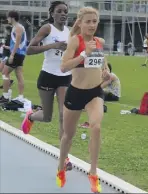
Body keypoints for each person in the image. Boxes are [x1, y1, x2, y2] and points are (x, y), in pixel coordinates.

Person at [56, 6, 110, 193]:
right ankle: (61, 166)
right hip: (75, 93)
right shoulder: (74, 41)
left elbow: (102, 63)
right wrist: (83, 54)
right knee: (68, 136)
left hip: (94, 92)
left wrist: (106, 70)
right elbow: (63, 67)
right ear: (80, 23)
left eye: (94, 22)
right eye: (88, 21)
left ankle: (93, 173)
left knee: (96, 127)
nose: (92, 25)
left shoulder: (99, 42)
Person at [21, 1, 72, 170]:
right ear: (52, 13)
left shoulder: (69, 31)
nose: (63, 14)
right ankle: (31, 116)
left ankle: (64, 158)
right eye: (60, 11)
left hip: (65, 77)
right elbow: (29, 49)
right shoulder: (47, 29)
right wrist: (54, 45)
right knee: (47, 116)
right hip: (48, 76)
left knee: (64, 116)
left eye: (65, 11)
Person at [0, 10, 27, 104]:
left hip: (17, 54)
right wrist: (8, 47)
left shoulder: (18, 27)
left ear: (12, 18)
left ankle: (6, 96)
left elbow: (18, 43)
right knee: (19, 75)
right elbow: (17, 43)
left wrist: (12, 54)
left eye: (8, 17)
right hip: (19, 54)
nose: (7, 19)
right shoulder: (16, 27)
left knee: (4, 72)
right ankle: (20, 97)